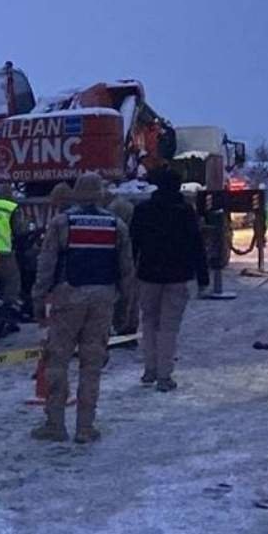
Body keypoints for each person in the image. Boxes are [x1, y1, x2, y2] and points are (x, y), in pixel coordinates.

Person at [30, 173, 134, 443]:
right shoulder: (116, 225)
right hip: (103, 299)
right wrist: (125, 307)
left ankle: (55, 424)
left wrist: (39, 299)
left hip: (68, 297)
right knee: (92, 364)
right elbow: (126, 271)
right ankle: (86, 427)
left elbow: (46, 264)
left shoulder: (62, 223)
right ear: (100, 194)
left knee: (58, 361)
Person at [129, 167, 210, 391]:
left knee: (148, 321)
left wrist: (127, 272)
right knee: (169, 327)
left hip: (148, 274)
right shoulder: (185, 212)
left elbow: (132, 243)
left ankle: (150, 370)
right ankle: (164, 375)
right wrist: (202, 277)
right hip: (177, 275)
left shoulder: (143, 210)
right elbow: (196, 246)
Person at [106, 193, 139, 335]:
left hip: (115, 255)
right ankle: (128, 325)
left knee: (121, 292)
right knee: (129, 292)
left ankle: (121, 324)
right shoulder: (123, 206)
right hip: (128, 254)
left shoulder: (113, 210)